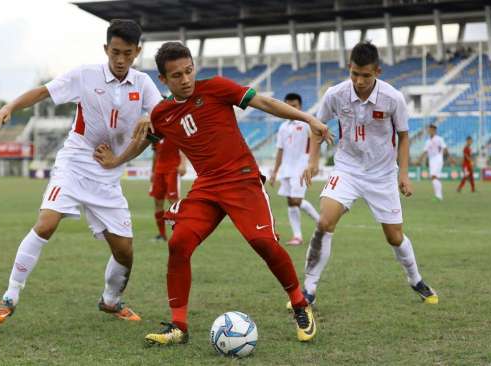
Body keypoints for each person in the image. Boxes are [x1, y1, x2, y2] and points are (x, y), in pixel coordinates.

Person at [93, 41, 332, 345]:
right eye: (177, 75)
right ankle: (179, 326)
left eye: (189, 71)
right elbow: (144, 141)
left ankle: (300, 305)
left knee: (263, 242)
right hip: (207, 186)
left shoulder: (217, 87)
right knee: (179, 243)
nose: (186, 79)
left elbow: (265, 103)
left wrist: (308, 118)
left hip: (242, 179)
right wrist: (117, 160)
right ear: (164, 81)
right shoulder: (162, 113)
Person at [0, 19, 162, 325]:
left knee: (125, 252)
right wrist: (9, 108)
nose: (120, 60)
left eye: (127, 54)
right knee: (46, 223)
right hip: (75, 162)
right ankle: (9, 297)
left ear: (137, 52)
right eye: (115, 52)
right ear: (106, 49)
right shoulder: (85, 75)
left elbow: (162, 119)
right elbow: (42, 92)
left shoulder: (144, 84)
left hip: (108, 174)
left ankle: (111, 301)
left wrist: (151, 119)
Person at [299, 42, 438, 309]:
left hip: (383, 175)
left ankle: (416, 279)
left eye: (366, 75)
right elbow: (317, 126)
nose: (359, 81)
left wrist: (404, 174)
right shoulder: (335, 94)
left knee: (394, 237)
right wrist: (313, 161)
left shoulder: (393, 98)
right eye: (354, 74)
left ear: (378, 71)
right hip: (347, 169)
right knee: (325, 222)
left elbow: (404, 135)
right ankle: (309, 289)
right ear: (348, 69)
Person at [269, 93, 320, 246]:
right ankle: (297, 236)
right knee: (291, 201)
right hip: (286, 168)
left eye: (294, 106)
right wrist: (275, 171)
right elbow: (280, 150)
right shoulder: (283, 127)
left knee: (296, 200)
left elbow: (315, 142)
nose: (290, 109)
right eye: (288, 106)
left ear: (300, 107)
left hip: (301, 167)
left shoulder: (306, 123)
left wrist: (313, 163)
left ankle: (321, 222)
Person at [150, 138, 186, 241]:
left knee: (174, 202)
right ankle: (162, 235)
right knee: (158, 203)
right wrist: (153, 171)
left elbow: (183, 148)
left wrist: (183, 164)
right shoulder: (155, 133)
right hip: (158, 171)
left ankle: (181, 232)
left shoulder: (173, 129)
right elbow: (155, 154)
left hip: (172, 170)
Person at [419, 124, 450, 201]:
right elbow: (425, 151)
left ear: (434, 130)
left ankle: (438, 196)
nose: (429, 131)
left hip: (438, 159)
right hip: (431, 160)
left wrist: (449, 158)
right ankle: (438, 196)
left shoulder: (439, 139)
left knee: (434, 176)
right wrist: (419, 160)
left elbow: (445, 148)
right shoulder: (428, 141)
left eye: (431, 129)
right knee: (434, 177)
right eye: (429, 130)